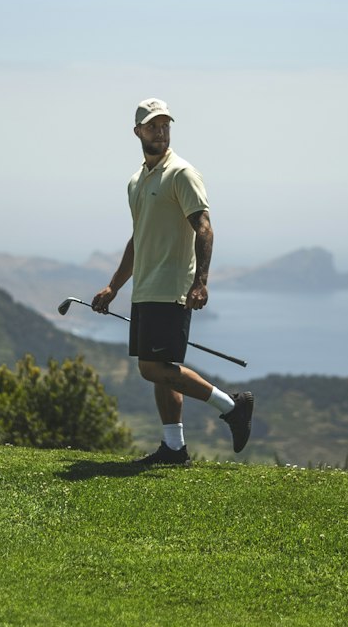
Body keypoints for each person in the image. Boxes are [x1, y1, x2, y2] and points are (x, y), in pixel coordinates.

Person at [92, 97, 254, 466]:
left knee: (152, 367)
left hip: (172, 288)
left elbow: (205, 228)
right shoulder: (136, 182)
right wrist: (113, 287)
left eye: (165, 124)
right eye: (153, 125)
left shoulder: (181, 173)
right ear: (138, 132)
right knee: (159, 372)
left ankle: (233, 407)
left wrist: (201, 282)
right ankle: (174, 448)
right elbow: (138, 239)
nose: (160, 130)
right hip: (145, 288)